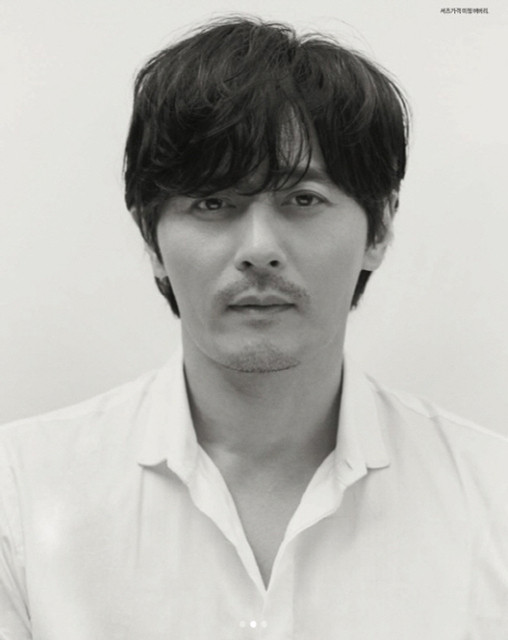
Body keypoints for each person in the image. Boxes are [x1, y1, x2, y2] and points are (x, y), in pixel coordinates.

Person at [1, 16, 507, 640]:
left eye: (303, 200)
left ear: (378, 229)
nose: (260, 249)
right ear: (151, 240)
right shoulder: (18, 495)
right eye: (213, 202)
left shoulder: (493, 497)